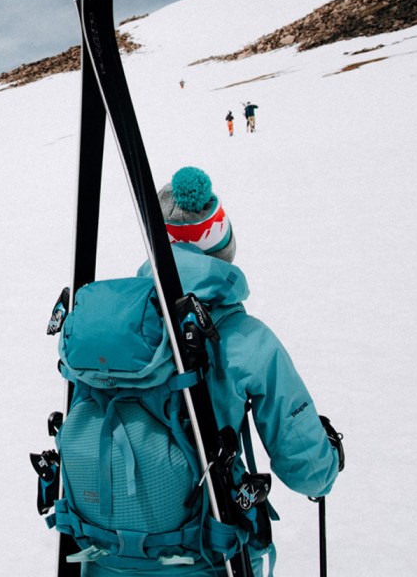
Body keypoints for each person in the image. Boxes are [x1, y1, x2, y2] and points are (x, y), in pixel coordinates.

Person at [84, 166, 341, 577]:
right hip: (207, 557)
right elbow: (308, 471)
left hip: (104, 557)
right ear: (222, 249)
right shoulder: (246, 339)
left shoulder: (111, 331)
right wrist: (328, 463)